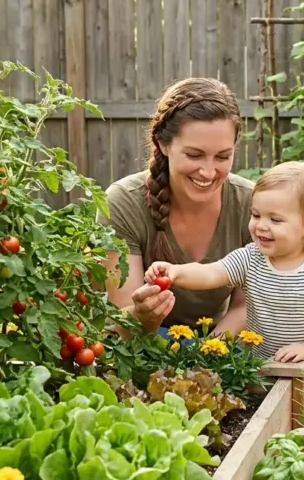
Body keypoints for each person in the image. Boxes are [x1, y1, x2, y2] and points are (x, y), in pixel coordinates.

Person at [145, 161, 304, 369]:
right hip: (263, 368)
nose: (261, 226)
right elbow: (210, 274)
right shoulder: (250, 258)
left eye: (275, 220)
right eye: (256, 215)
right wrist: (175, 272)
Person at [99, 77, 253, 335]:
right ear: (163, 143)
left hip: (218, 339)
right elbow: (121, 320)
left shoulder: (251, 204)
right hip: (142, 343)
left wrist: (209, 352)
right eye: (194, 155)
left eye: (223, 156)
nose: (207, 171)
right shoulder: (124, 201)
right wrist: (142, 315)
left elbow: (245, 308)